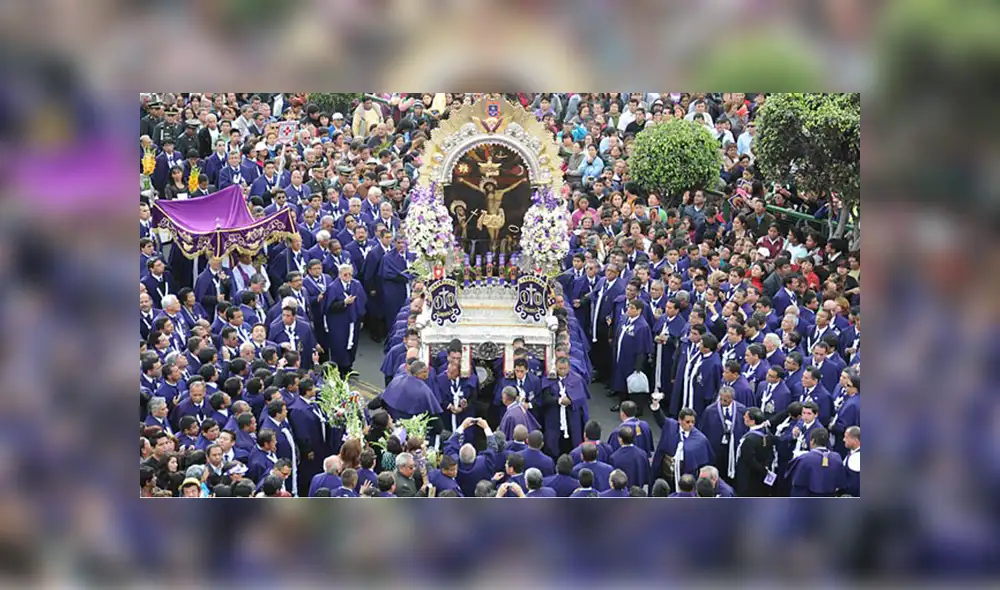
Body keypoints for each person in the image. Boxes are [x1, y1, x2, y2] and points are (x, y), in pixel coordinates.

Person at [609, 299, 653, 412]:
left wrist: (638, 367)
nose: (629, 309)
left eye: (632, 308)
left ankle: (635, 409)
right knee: (620, 381)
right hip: (621, 356)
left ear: (639, 311)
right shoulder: (624, 319)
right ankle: (622, 404)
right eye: (629, 306)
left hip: (632, 360)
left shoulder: (642, 326)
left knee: (633, 385)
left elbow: (642, 349)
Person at [697, 386, 748, 481]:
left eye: (726, 398)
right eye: (721, 398)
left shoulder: (741, 410)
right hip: (716, 449)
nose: (723, 400)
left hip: (734, 448)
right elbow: (702, 430)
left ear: (732, 398)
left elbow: (745, 428)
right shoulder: (710, 410)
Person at [786, 427, 845, 497]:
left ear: (812, 441)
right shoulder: (837, 457)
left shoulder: (804, 458)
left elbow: (795, 481)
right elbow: (840, 482)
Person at [609, 426, 650, 492]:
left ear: (620, 439)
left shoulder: (614, 457)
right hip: (639, 492)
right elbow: (647, 475)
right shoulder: (643, 454)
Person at [841, 426, 861, 497]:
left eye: (846, 437)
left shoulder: (856, 458)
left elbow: (853, 484)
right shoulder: (852, 452)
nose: (843, 440)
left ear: (855, 440)